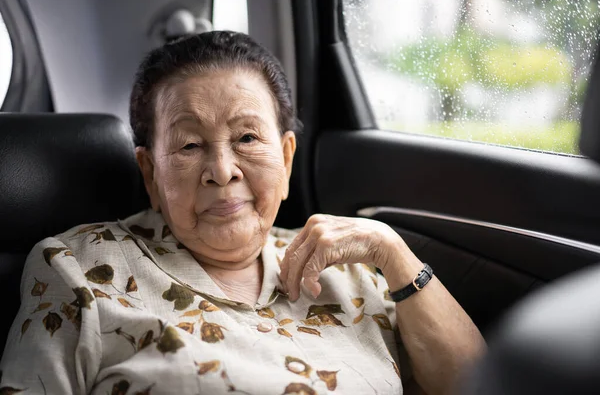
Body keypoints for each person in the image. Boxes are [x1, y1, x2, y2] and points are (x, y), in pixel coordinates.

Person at [0, 31, 485, 395]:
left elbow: (480, 385)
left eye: (247, 138)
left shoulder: (354, 270)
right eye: (189, 144)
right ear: (150, 174)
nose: (222, 170)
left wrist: (394, 254)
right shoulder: (78, 267)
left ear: (288, 156)